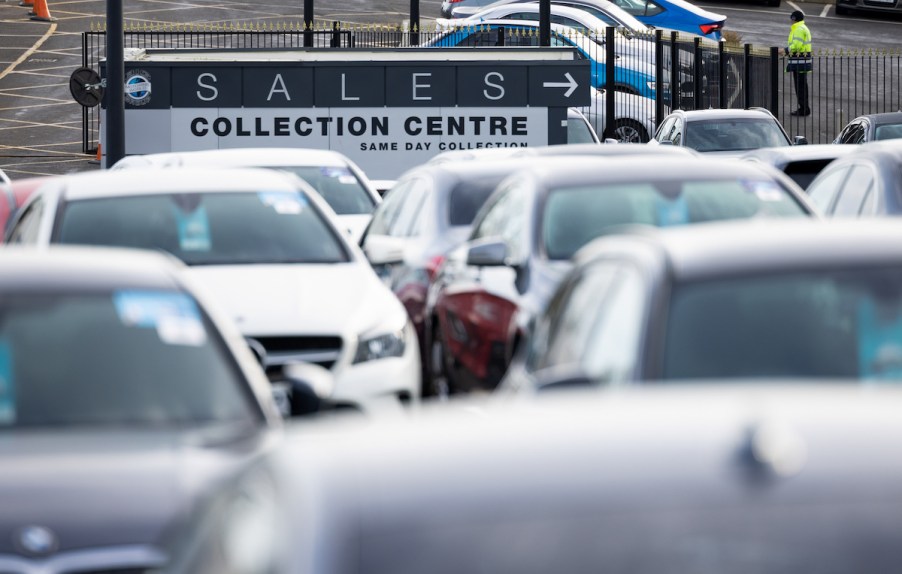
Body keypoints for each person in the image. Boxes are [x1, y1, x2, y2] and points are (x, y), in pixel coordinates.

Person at [786, 10, 812, 117]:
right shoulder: (803, 28)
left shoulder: (798, 29)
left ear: (794, 19)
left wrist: (785, 50)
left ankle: (804, 109)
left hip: (799, 61)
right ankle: (804, 108)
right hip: (802, 61)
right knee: (802, 85)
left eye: (791, 19)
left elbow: (796, 45)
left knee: (800, 86)